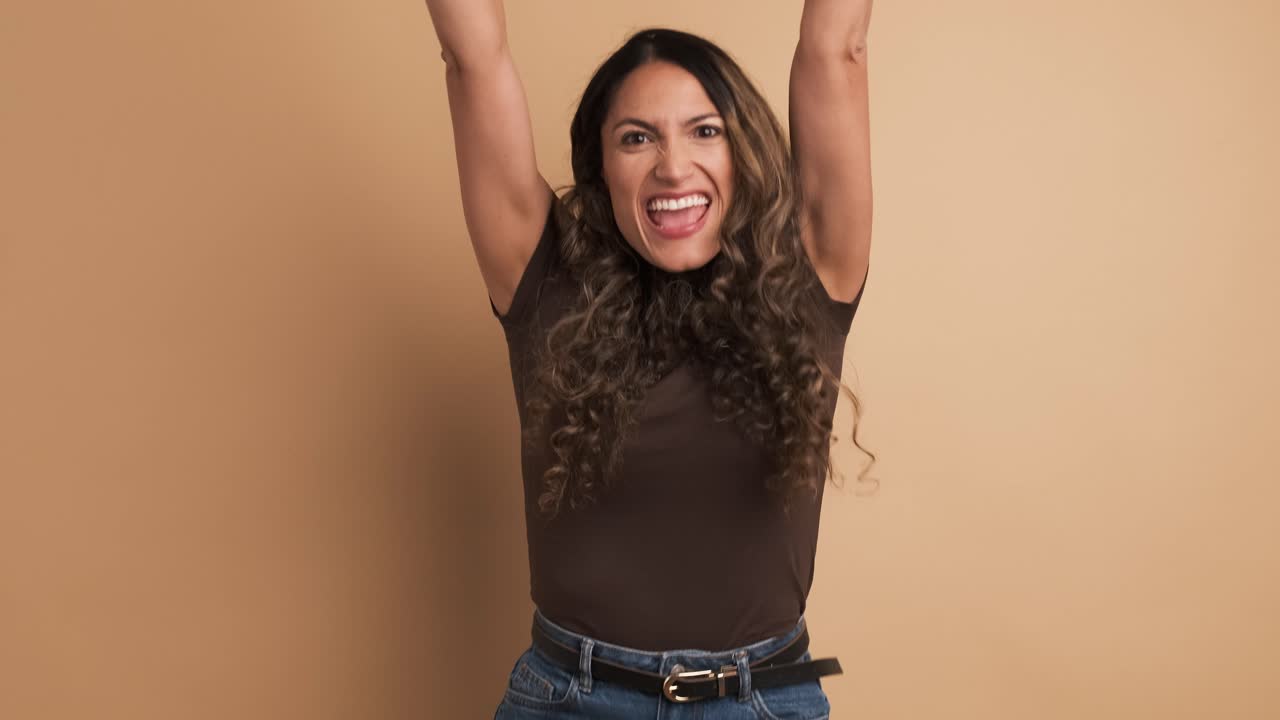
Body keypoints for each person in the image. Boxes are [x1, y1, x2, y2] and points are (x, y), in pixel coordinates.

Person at [425, 1, 875, 716]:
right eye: (637, 138)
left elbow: (836, 48)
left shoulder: (809, 274)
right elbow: (471, 56)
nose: (673, 166)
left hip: (762, 700)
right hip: (572, 698)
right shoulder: (543, 282)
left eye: (705, 131)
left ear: (747, 150)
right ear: (601, 166)